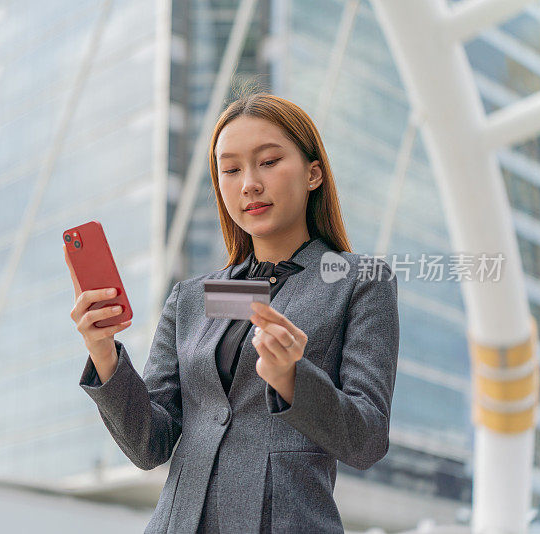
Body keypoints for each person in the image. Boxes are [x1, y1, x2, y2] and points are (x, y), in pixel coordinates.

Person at [64, 92, 399, 533]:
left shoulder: (359, 281)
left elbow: (366, 439)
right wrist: (104, 352)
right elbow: (151, 445)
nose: (249, 184)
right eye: (232, 169)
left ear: (313, 173)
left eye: (269, 161)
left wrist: (291, 378)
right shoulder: (193, 297)